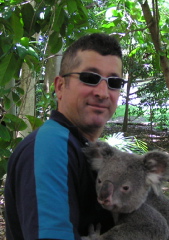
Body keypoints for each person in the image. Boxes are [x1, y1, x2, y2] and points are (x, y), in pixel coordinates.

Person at [4, 33, 126, 240]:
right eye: (90, 78)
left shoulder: (84, 149)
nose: (103, 92)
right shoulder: (51, 145)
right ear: (60, 86)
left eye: (114, 82)